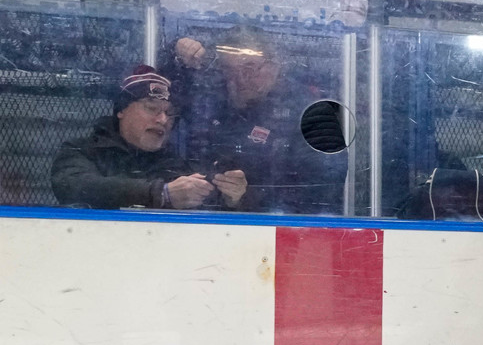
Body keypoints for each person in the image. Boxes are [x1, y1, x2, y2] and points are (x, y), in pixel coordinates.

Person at [171, 25, 345, 215]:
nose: (239, 79)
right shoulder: (213, 99)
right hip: (202, 221)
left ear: (274, 66)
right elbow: (160, 101)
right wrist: (175, 53)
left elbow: (322, 193)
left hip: (279, 228)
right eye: (229, 70)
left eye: (249, 68)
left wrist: (247, 197)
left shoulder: (311, 113)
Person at [51, 65, 250, 211]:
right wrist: (161, 194)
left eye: (169, 114)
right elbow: (77, 188)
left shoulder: (176, 165)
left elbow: (214, 225)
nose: (163, 119)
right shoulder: (80, 151)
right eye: (151, 108)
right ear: (121, 110)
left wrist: (231, 198)